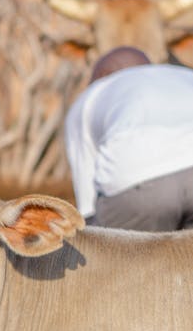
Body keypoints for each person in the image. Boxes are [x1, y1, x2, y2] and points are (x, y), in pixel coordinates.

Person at [64, 46, 193, 230]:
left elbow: (86, 206)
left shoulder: (92, 95)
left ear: (100, 75)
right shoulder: (182, 75)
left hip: (139, 187)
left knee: (107, 250)